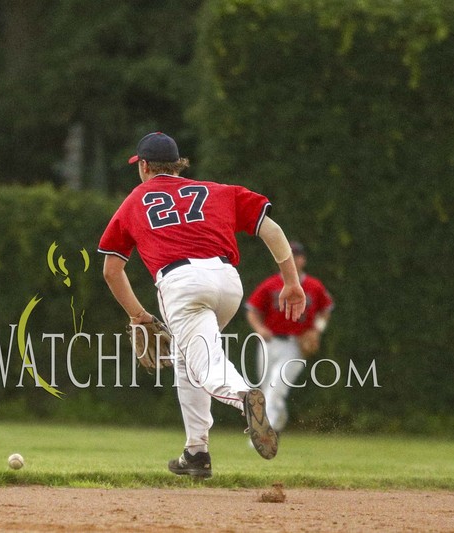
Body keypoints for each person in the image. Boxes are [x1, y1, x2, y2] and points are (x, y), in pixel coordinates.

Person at [98, 132, 306, 478]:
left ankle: (243, 397)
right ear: (178, 165)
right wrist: (291, 281)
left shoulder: (136, 200)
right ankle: (196, 452)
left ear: (144, 166)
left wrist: (139, 315)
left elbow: (111, 270)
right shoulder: (216, 191)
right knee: (185, 359)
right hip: (226, 279)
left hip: (182, 285)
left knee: (204, 364)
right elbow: (270, 228)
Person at [245, 241, 334, 433]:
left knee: (277, 385)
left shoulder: (314, 286)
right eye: (289, 255)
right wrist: (259, 328)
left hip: (295, 344)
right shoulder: (271, 284)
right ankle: (279, 420)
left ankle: (263, 434)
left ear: (303, 260)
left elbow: (326, 309)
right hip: (269, 342)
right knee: (265, 388)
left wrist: (317, 330)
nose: (293, 259)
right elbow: (252, 310)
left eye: (297, 255)